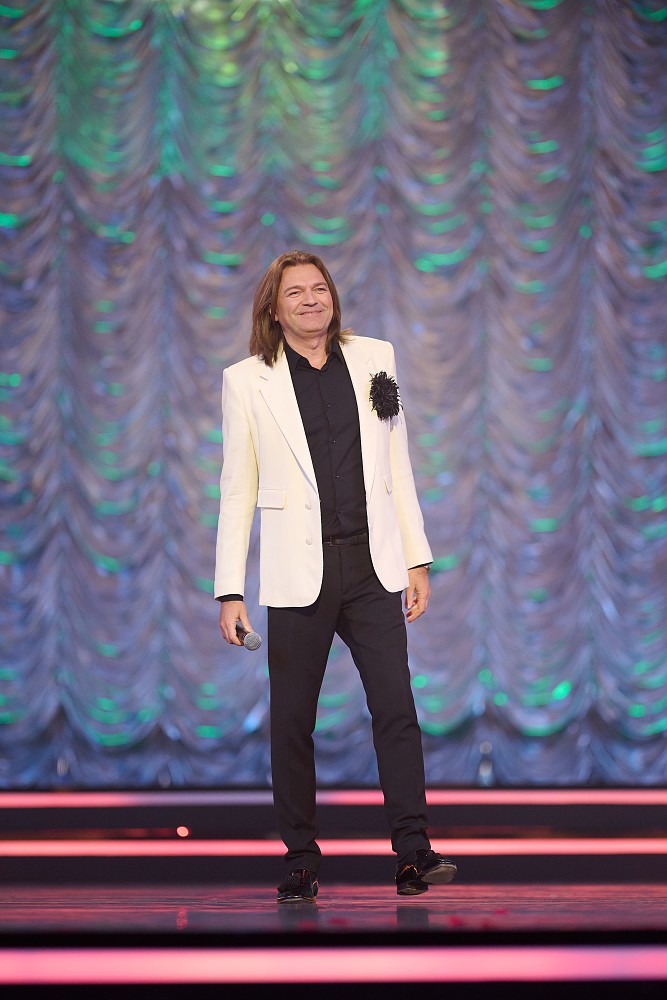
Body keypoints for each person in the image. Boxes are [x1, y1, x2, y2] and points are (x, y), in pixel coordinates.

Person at [214, 250, 457, 902]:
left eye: (318, 288)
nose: (310, 299)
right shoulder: (248, 381)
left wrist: (416, 556)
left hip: (372, 566)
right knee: (292, 722)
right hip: (299, 569)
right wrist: (229, 589)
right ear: (274, 309)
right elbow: (236, 491)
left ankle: (413, 853)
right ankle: (300, 860)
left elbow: (396, 463)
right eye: (295, 292)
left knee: (396, 708)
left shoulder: (375, 358)